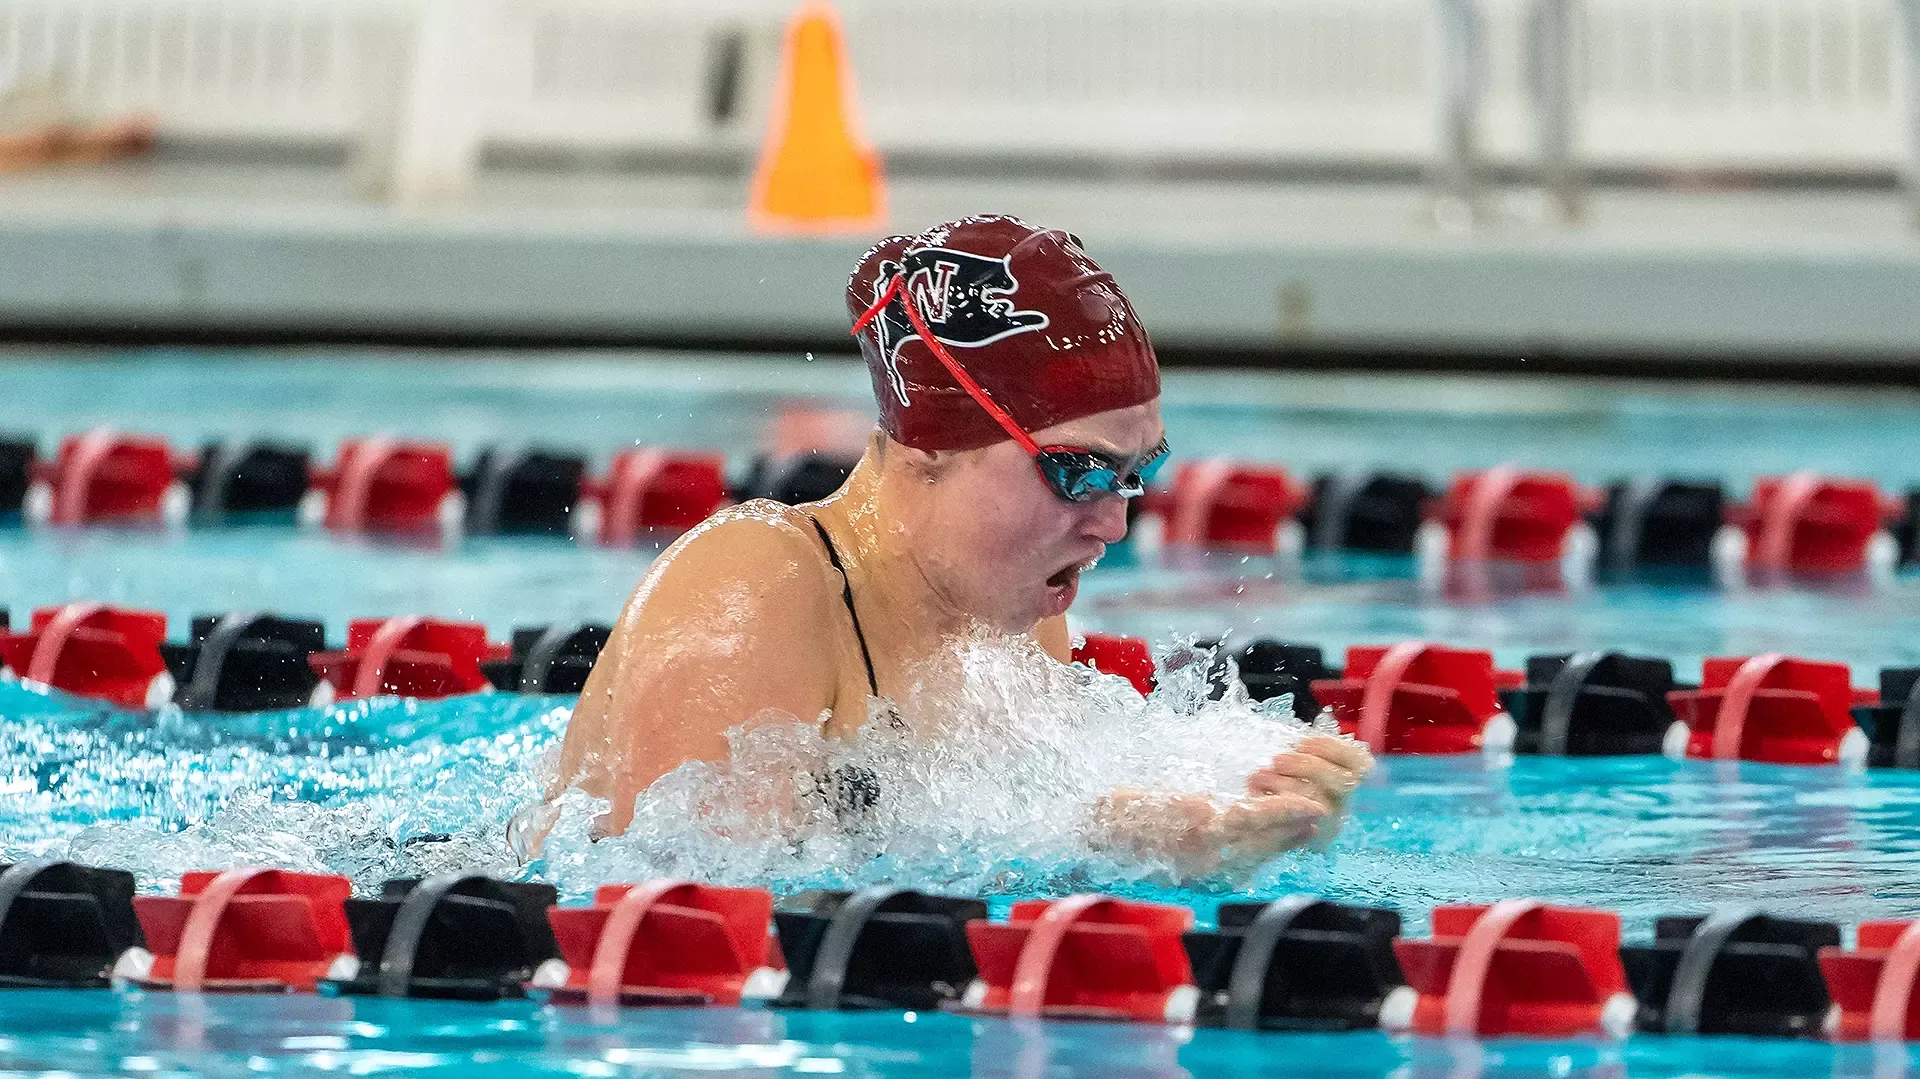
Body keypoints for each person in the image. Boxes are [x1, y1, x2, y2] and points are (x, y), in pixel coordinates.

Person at [543, 215, 1371, 871]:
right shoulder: (754, 590)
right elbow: (681, 918)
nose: (1114, 523)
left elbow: (1001, 833)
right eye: (1076, 472)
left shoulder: (1014, 616)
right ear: (930, 449)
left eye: (1135, 474)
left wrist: (1211, 829)